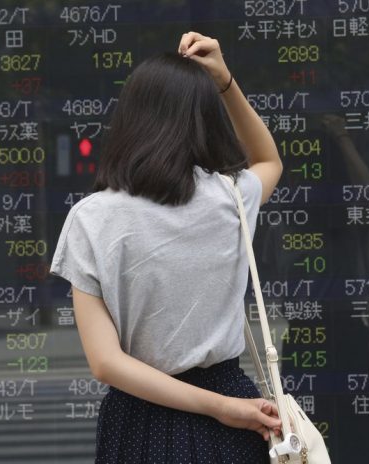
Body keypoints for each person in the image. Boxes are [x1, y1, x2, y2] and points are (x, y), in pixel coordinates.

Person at [50, 32, 283, 463]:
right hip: (235, 408)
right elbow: (269, 160)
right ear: (205, 119)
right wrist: (225, 81)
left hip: (140, 420)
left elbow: (106, 364)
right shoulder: (232, 197)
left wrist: (221, 409)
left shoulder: (92, 217)